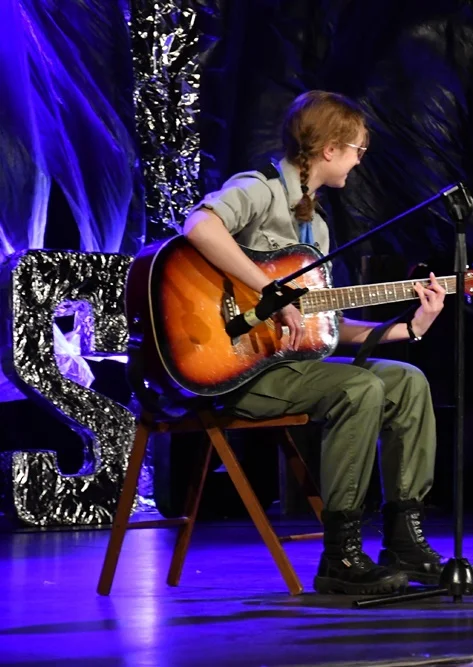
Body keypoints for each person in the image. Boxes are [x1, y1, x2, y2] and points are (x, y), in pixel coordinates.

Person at [180, 90, 448, 596]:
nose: (359, 161)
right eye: (358, 151)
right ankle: (341, 554)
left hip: (289, 364)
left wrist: (410, 327)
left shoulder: (316, 227)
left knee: (408, 381)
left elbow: (323, 322)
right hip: (233, 366)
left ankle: (404, 539)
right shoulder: (259, 190)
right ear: (330, 148)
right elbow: (199, 225)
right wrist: (268, 288)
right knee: (358, 388)